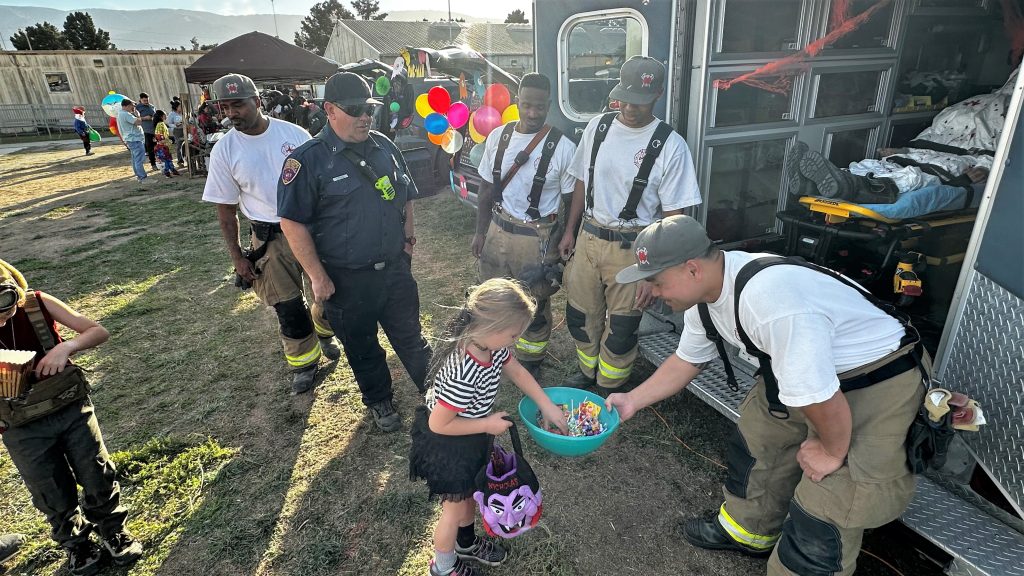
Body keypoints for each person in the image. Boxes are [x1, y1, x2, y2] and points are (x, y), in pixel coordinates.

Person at [605, 215, 926, 576]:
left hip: (875, 378)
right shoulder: (704, 296)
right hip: (805, 374)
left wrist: (831, 450)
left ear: (692, 269)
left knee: (829, 500)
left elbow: (818, 396)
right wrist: (632, 400)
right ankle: (748, 534)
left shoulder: (770, 302)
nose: (654, 292)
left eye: (657, 282)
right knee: (760, 438)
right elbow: (686, 360)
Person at [278, 71, 432, 431]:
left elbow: (406, 194)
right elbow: (292, 222)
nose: (365, 116)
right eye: (355, 109)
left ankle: (436, 393)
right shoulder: (307, 161)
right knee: (363, 347)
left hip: (394, 269)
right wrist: (317, 277)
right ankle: (379, 400)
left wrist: (408, 242)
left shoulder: (385, 145)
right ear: (329, 109)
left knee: (411, 337)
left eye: (370, 108)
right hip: (345, 279)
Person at [557, 55, 702, 390]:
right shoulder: (598, 127)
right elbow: (581, 180)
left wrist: (653, 273)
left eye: (640, 100)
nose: (630, 108)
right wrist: (569, 230)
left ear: (658, 94)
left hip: (635, 247)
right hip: (589, 239)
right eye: (625, 97)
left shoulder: (670, 145)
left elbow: (674, 217)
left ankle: (612, 385)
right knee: (581, 316)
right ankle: (587, 372)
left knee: (622, 327)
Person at [409, 278, 568, 576]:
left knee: (471, 492)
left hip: (472, 435)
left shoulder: (491, 346)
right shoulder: (464, 371)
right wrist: (487, 423)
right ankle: (443, 567)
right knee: (452, 510)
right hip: (449, 443)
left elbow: (517, 371)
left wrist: (546, 404)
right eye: (513, 335)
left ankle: (466, 545)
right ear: (492, 328)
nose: (516, 340)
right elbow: (439, 423)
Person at [0, 259, 144, 576]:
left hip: (70, 409)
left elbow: (97, 330)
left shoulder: (37, 303)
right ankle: (76, 544)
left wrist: (65, 349)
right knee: (48, 488)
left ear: (14, 288)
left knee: (96, 470)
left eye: (3, 301)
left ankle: (113, 531)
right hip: (20, 427)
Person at [201, 73, 339, 395]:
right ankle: (304, 364)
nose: (232, 113)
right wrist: (237, 257)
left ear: (257, 102)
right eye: (226, 106)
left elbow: (324, 184)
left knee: (329, 295)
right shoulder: (224, 150)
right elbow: (225, 210)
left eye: (238, 105)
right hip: (268, 240)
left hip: (310, 232)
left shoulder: (295, 134)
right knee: (288, 307)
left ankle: (324, 331)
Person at [471, 72, 576, 380]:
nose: (532, 113)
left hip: (537, 237)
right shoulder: (498, 137)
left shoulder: (563, 148)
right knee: (491, 295)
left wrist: (566, 237)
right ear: (517, 100)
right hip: (498, 230)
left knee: (534, 301)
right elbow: (486, 190)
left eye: (540, 107)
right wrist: (480, 231)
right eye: (526, 105)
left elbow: (572, 203)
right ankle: (489, 351)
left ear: (549, 105)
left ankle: (531, 360)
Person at [786, 65, 1020, 203]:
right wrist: (904, 150)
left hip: (945, 167)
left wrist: (980, 172)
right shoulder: (974, 107)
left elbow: (999, 157)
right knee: (878, 165)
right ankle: (825, 181)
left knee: (912, 178)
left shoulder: (1008, 122)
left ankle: (850, 185)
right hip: (922, 155)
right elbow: (932, 136)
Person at [115, 98, 147, 182]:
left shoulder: (120, 114)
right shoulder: (125, 114)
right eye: (132, 107)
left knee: (135, 159)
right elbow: (138, 122)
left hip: (131, 139)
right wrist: (138, 115)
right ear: (127, 106)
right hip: (134, 139)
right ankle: (142, 177)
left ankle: (139, 176)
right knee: (139, 159)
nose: (133, 108)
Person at [153, 110, 180, 178]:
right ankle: (167, 172)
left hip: (165, 144)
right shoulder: (160, 124)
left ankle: (172, 170)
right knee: (165, 159)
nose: (166, 116)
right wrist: (162, 141)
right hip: (163, 145)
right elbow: (159, 135)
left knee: (168, 158)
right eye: (165, 114)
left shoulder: (161, 123)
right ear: (161, 116)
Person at [134, 92, 157, 171]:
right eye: (144, 101)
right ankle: (153, 164)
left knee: (156, 147)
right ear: (140, 100)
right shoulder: (137, 108)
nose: (146, 102)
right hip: (146, 130)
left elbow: (155, 115)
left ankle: (158, 162)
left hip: (154, 129)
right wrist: (144, 118)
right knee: (150, 148)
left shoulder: (152, 106)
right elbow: (135, 118)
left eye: (147, 100)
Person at [167, 98, 185, 168]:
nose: (181, 107)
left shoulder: (183, 113)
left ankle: (186, 159)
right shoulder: (172, 114)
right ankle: (180, 161)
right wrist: (175, 125)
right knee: (179, 145)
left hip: (184, 129)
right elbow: (169, 123)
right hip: (177, 131)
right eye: (180, 106)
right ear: (176, 107)